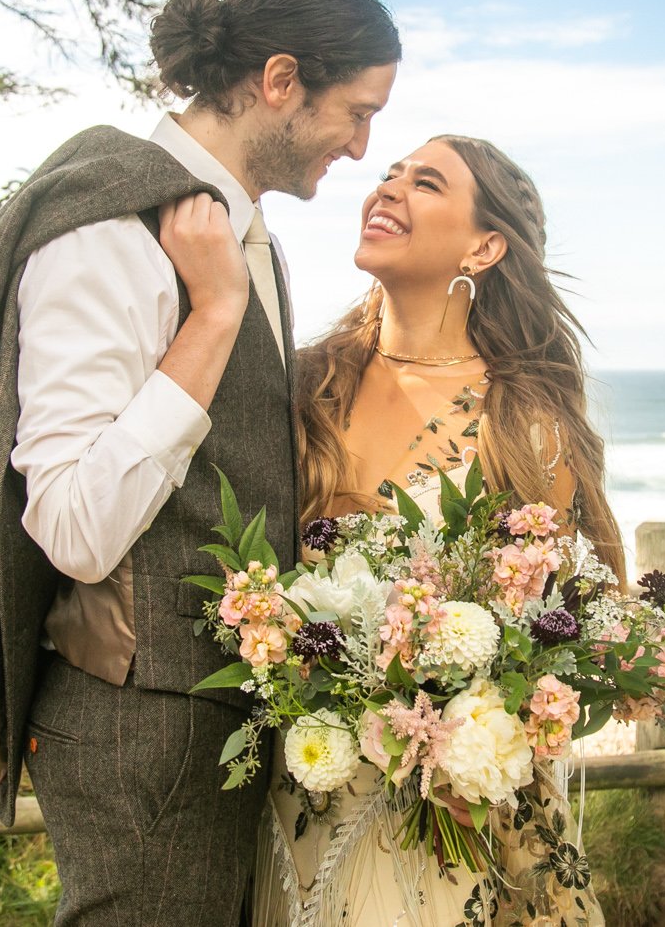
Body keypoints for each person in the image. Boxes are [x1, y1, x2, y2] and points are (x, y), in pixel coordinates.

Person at [0, 0, 399, 926]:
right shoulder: (107, 231)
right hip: (140, 727)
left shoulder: (241, 227)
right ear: (279, 82)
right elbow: (70, 525)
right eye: (353, 112)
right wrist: (212, 316)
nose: (359, 147)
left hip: (209, 710)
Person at [251, 135, 622, 926]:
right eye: (387, 174)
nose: (387, 189)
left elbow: (538, 630)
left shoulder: (522, 421)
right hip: (311, 790)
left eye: (424, 183)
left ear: (485, 245)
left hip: (458, 818)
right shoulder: (304, 386)